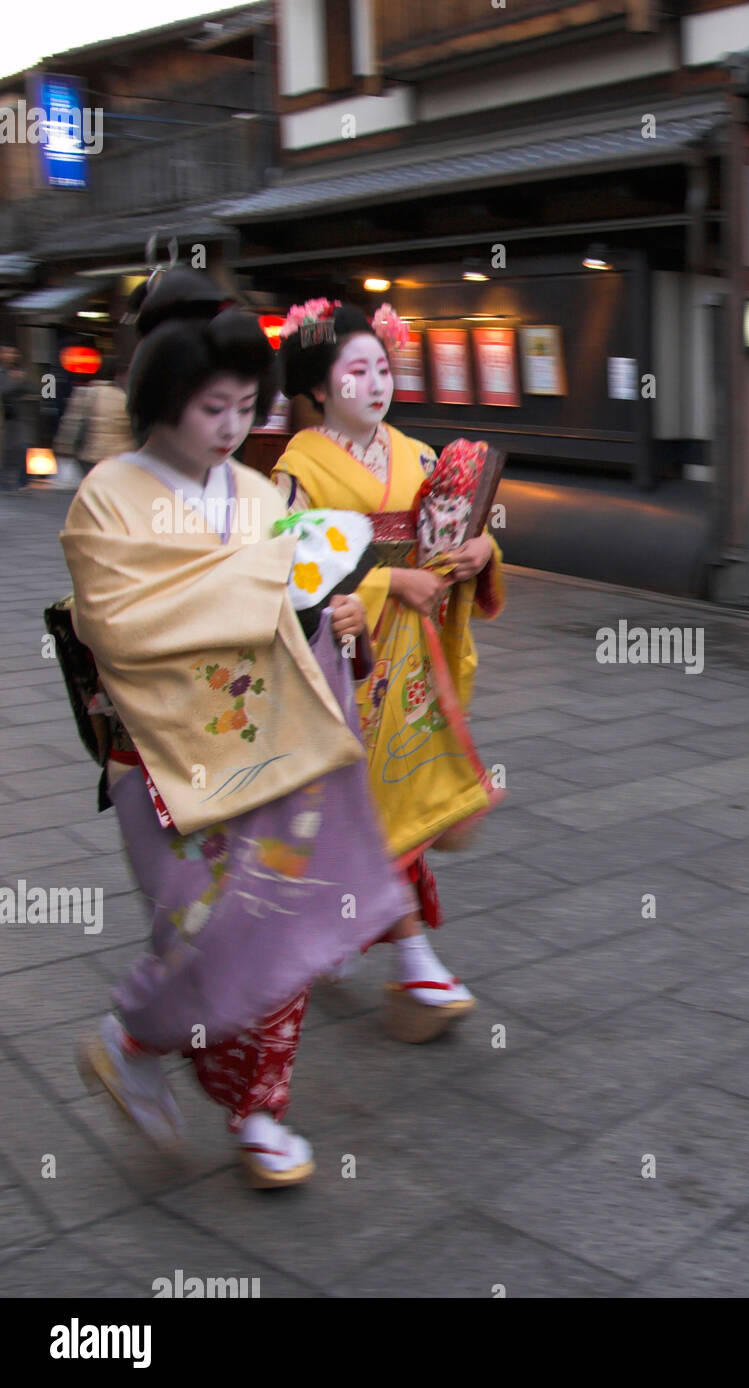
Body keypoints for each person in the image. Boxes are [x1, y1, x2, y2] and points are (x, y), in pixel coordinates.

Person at [63, 268, 415, 1187]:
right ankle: (139, 1040)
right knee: (204, 929)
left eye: (243, 408)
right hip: (163, 760)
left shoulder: (261, 497)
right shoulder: (109, 494)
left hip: (275, 743)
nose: (229, 428)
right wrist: (274, 585)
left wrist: (335, 613)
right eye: (211, 405)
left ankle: (257, 1111)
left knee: (277, 917)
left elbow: (315, 593)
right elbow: (121, 624)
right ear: (163, 391)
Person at [273, 299, 504, 1043]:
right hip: (344, 657)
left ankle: (355, 938)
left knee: (382, 804)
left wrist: (479, 554)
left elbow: (450, 533)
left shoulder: (414, 454)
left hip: (410, 658)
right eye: (355, 371)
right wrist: (383, 582)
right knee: (367, 809)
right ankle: (413, 960)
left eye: (382, 367)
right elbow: (285, 568)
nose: (376, 383)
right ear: (318, 388)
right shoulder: (298, 469)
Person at [54, 357, 134, 479]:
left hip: (91, 456)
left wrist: (64, 448)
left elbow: (71, 424)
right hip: (118, 458)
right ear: (117, 375)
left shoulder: (85, 394)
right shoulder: (124, 398)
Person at [0, 344, 36, 491]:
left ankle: (20, 482)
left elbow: (37, 388)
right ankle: (7, 483)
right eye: (6, 352)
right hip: (6, 420)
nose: (10, 356)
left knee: (21, 448)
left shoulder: (20, 371)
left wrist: (22, 382)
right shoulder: (8, 374)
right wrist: (17, 382)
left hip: (18, 419)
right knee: (9, 451)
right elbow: (3, 391)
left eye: (13, 353)